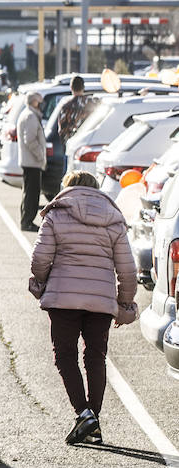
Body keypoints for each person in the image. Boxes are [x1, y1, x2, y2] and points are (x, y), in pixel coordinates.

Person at [29, 171, 138, 445]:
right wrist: (125, 303)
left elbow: (40, 257)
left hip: (63, 299)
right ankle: (93, 421)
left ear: (67, 188)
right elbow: (127, 269)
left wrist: (41, 283)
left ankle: (83, 413)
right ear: (96, 189)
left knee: (65, 355)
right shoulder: (113, 219)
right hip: (101, 299)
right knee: (96, 356)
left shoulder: (56, 213)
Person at [17, 91, 46, 232]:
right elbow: (30, 139)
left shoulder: (29, 115)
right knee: (31, 194)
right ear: (34, 102)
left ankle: (26, 220)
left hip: (30, 161)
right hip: (32, 162)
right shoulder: (30, 116)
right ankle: (27, 221)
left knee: (29, 192)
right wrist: (40, 156)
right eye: (39, 101)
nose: (41, 104)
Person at [56, 75, 97, 143]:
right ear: (83, 87)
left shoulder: (66, 107)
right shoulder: (93, 104)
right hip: (89, 142)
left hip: (72, 144)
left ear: (71, 88)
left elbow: (61, 130)